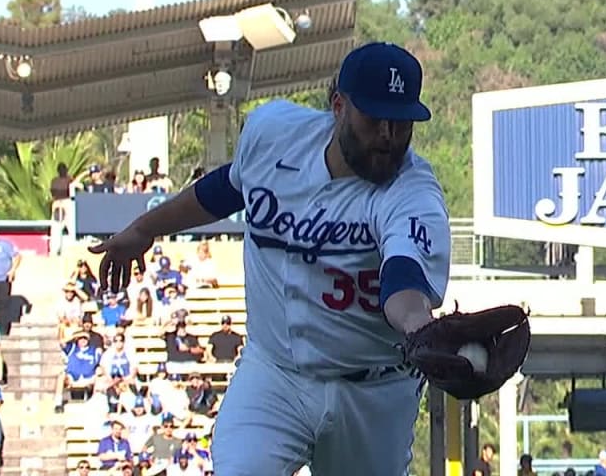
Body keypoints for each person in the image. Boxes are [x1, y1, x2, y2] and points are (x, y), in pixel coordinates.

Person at [90, 42, 451, 475]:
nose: (389, 136)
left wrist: (419, 327)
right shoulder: (276, 134)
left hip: (373, 390)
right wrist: (146, 227)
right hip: (275, 374)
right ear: (339, 106)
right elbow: (227, 187)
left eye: (402, 122)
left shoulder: (413, 193)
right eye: (375, 119)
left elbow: (404, 282)